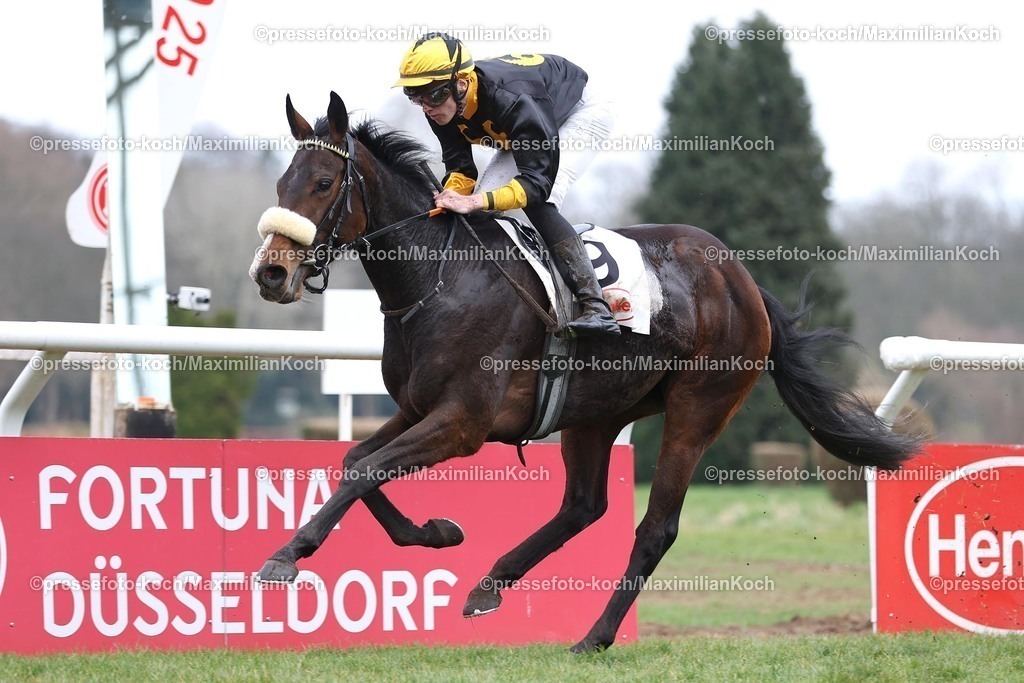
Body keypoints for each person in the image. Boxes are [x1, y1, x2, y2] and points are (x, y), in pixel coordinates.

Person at [394, 32, 620, 337]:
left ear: (461, 82)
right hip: (527, 125)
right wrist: (452, 195)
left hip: (577, 111)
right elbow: (461, 169)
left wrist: (473, 200)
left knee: (538, 202)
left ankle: (596, 306)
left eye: (432, 95)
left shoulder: (512, 99)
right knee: (475, 213)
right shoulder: (440, 107)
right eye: (415, 96)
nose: (426, 107)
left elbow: (536, 185)